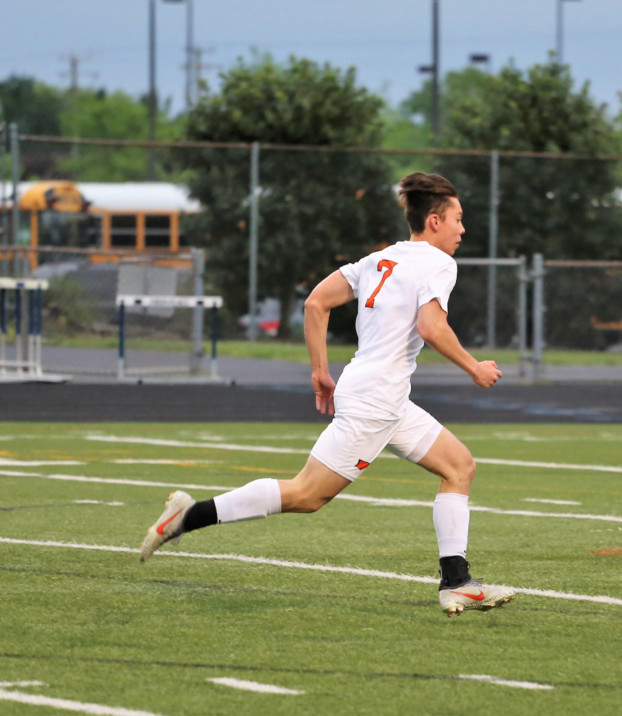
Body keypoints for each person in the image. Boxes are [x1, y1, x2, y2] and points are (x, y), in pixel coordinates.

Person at [140, 172, 514, 617]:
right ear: (434, 221)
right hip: (377, 400)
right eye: (457, 219)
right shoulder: (438, 263)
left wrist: (321, 371)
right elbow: (431, 327)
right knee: (306, 495)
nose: (462, 229)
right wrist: (475, 367)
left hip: (384, 397)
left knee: (459, 467)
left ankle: (457, 582)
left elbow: (315, 302)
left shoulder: (380, 260)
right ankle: (187, 516)